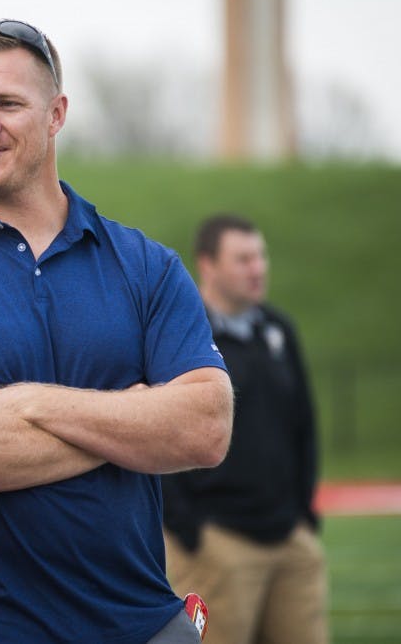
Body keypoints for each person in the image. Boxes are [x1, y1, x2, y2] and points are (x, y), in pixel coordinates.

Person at [0, 20, 234, 644]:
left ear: (56, 114)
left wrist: (27, 404)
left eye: (7, 103)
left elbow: (205, 427)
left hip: (135, 622)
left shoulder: (144, 265)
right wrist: (133, 419)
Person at [161, 214, 327, 644]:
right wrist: (187, 528)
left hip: (290, 538)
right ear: (208, 265)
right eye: (243, 259)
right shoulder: (179, 331)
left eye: (260, 256)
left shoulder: (278, 330)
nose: (258, 268)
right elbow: (156, 430)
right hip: (218, 542)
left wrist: (304, 514)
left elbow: (303, 426)